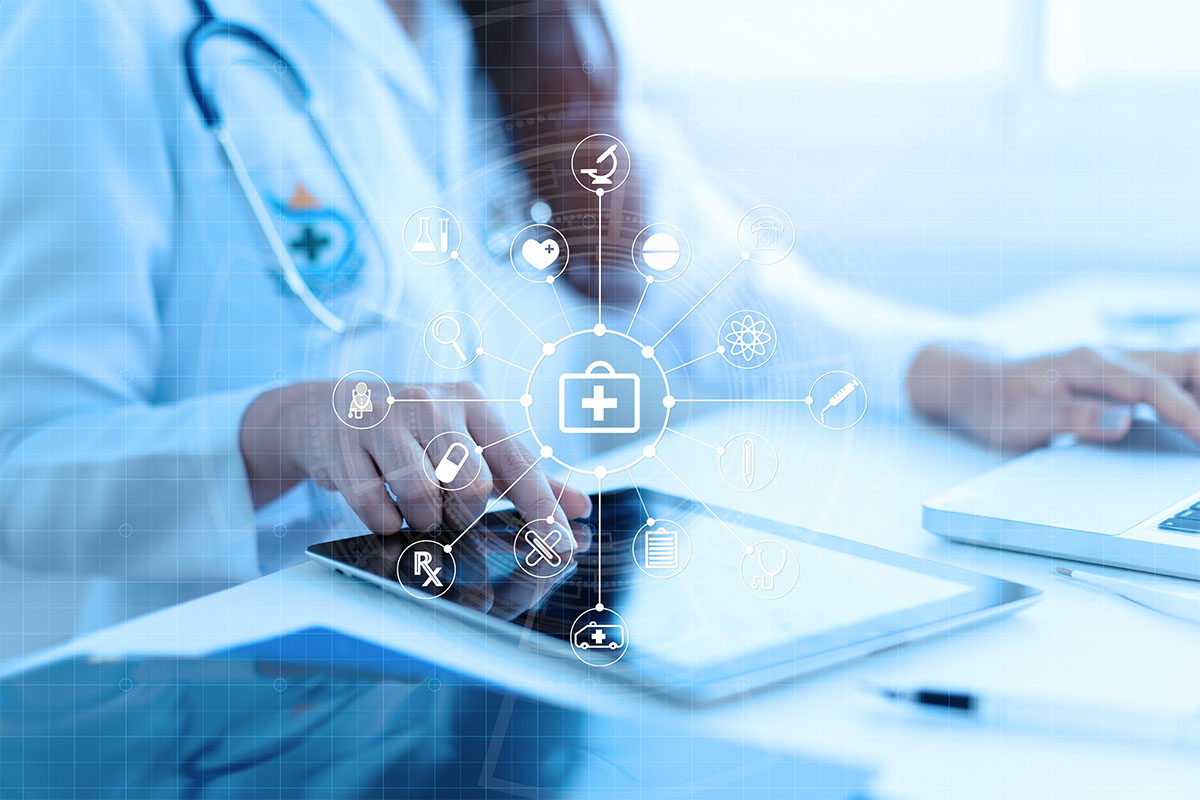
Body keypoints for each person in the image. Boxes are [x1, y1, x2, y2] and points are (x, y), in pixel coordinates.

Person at [3, 0, 1200, 645]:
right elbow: (24, 466)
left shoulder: (532, 33)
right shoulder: (100, 27)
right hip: (244, 704)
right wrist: (277, 427)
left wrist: (977, 372)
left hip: (526, 660)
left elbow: (735, 295)